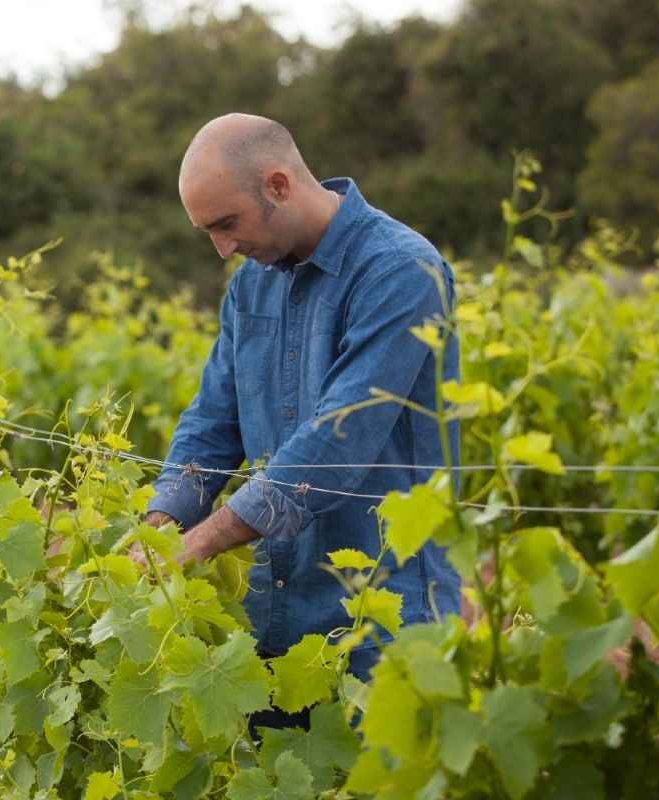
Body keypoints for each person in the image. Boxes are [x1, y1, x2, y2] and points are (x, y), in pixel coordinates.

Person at [143, 113, 463, 705]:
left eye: (226, 224)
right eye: (207, 232)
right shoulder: (251, 284)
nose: (223, 250)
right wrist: (161, 525)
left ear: (278, 185)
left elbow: (338, 439)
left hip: (383, 626)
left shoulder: (400, 270)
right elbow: (211, 422)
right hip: (274, 616)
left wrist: (202, 541)